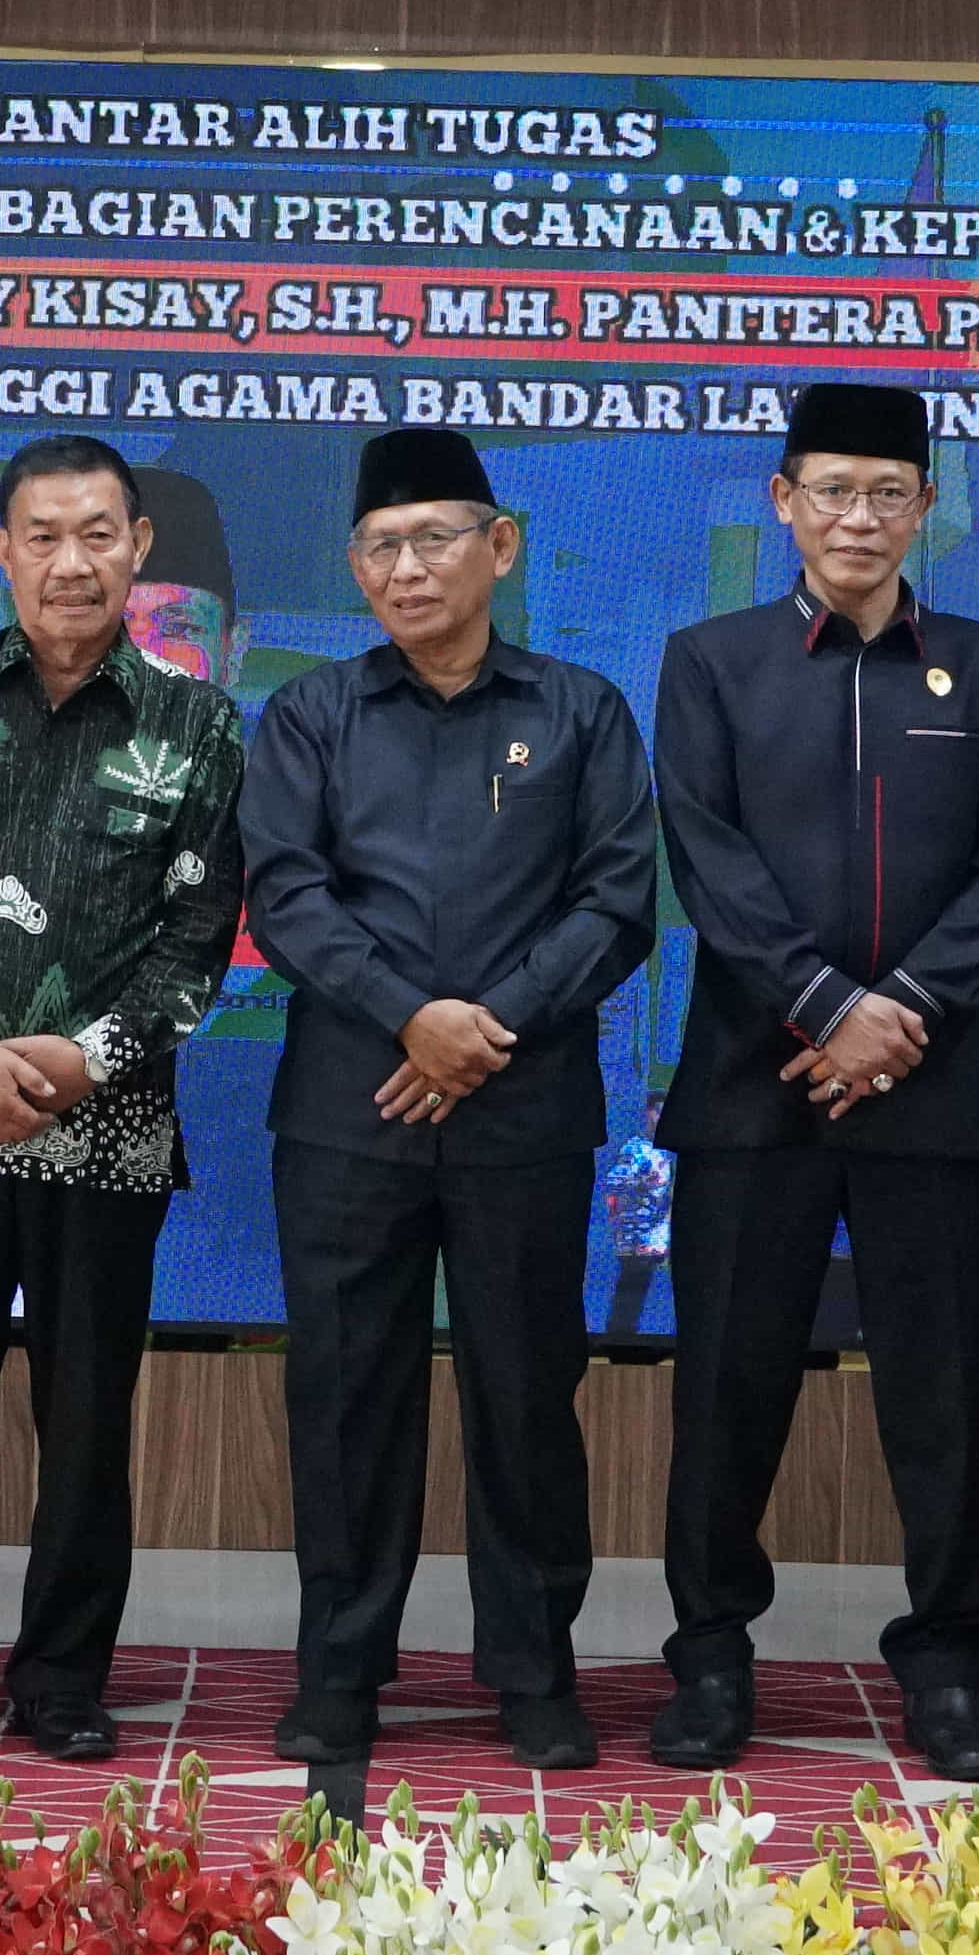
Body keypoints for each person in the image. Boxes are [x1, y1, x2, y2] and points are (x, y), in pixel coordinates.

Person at [646, 381, 979, 1787]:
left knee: (941, 1398)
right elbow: (707, 856)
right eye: (832, 490)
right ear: (785, 501)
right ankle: (711, 1657)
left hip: (931, 1092)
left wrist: (905, 1013)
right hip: (752, 1084)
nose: (860, 517)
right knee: (726, 1391)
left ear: (925, 506)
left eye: (888, 493)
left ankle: (948, 1666)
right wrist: (827, 1006)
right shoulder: (712, 662)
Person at [237, 425, 656, 1780]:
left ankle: (534, 1670)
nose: (406, 568)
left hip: (523, 1111)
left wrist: (488, 1027)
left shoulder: (581, 710)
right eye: (380, 547)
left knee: (526, 1393)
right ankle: (338, 1671)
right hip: (349, 1109)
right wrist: (412, 1016)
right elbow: (286, 894)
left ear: (500, 548)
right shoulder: (311, 714)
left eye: (433, 539)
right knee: (344, 1395)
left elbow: (617, 899)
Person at [0, 430, 248, 1763]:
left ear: (138, 548)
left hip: (104, 1129)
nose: (72, 562)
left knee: (84, 1423)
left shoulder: (198, 722)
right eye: (45, 536)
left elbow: (200, 937)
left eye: (98, 534)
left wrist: (90, 1059)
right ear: (2, 551)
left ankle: (64, 1676)